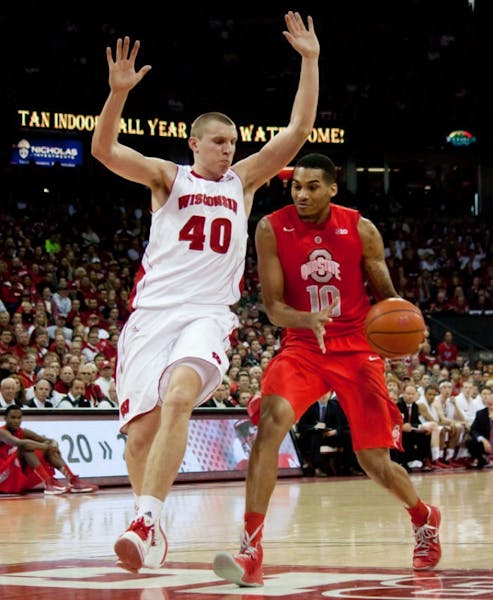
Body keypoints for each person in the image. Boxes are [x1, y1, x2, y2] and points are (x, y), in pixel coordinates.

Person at [91, 11, 320, 573]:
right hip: (151, 316)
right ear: (193, 143)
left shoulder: (243, 181)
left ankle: (145, 521)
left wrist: (310, 61)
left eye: (233, 143)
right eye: (218, 142)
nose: (227, 150)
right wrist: (118, 94)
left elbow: (296, 133)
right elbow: (104, 150)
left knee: (178, 398)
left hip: (207, 314)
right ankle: (151, 528)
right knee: (140, 436)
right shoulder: (167, 177)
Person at [213, 153, 440, 588]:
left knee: (373, 461)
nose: (301, 194)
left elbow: (388, 298)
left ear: (332, 188)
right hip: (303, 345)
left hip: (356, 347)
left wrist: (406, 328)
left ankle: (423, 516)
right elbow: (273, 307)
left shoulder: (360, 229)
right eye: (296, 186)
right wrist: (306, 320)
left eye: (312, 186)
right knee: (270, 427)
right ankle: (251, 550)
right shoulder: (271, 228)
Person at [0, 405, 99, 494]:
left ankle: (72, 480)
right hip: (3, 476)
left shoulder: (22, 431)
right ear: (5, 418)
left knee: (44, 448)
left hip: (16, 474)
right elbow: (20, 443)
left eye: (19, 418)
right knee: (26, 448)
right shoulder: (2, 432)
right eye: (13, 417)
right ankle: (48, 483)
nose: (16, 421)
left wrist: (53, 444)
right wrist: (47, 446)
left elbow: (48, 440)